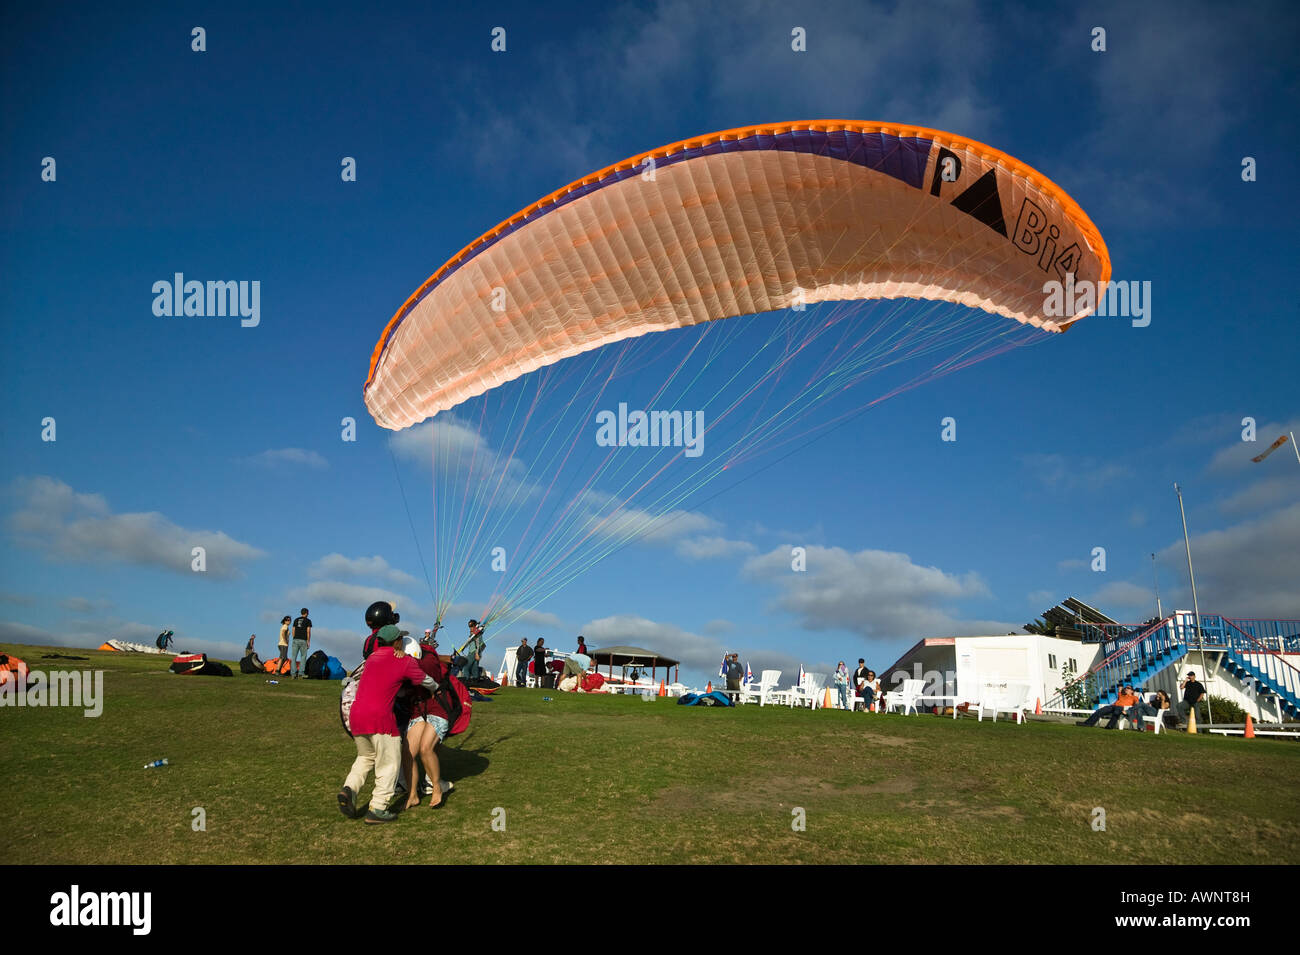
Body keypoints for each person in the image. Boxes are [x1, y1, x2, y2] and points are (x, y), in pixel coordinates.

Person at [338, 624, 437, 824]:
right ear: (397, 641)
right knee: (390, 764)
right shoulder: (404, 661)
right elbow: (424, 680)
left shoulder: (371, 658)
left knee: (366, 757)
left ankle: (350, 788)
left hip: (357, 716)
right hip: (380, 718)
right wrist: (437, 688)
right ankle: (378, 808)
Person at [403, 633, 452, 810]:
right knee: (407, 752)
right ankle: (412, 794)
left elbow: (419, 670)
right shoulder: (413, 661)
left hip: (437, 707)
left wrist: (400, 660)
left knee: (426, 748)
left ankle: (437, 788)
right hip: (418, 708)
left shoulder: (429, 660)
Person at [1076, 684, 1141, 729]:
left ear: (1132, 691)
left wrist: (1130, 710)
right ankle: (1088, 723)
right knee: (1099, 711)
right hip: (1113, 706)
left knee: (1117, 711)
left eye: (1128, 688)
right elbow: (1119, 690)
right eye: (1126, 688)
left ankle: (1110, 726)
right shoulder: (1121, 695)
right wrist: (1120, 689)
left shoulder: (1134, 697)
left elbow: (1137, 704)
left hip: (1122, 708)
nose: (1126, 689)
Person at [290, 607, 312, 679]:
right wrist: (308, 641)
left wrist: (294, 637)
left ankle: (293, 673)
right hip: (303, 640)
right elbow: (308, 631)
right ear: (306, 613)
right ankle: (301, 673)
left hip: (295, 639)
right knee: (303, 657)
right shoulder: (308, 621)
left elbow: (293, 630)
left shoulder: (296, 620)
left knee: (293, 657)